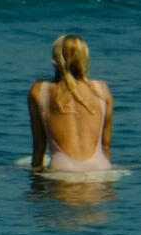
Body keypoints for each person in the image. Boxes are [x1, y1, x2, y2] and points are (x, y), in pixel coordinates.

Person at [27, 35, 114, 172]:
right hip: (99, 168)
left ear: (56, 59)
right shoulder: (101, 89)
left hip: (63, 169)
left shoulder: (40, 90)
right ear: (85, 58)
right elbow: (106, 146)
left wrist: (35, 186)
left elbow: (39, 147)